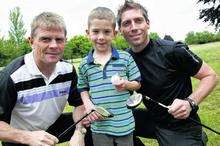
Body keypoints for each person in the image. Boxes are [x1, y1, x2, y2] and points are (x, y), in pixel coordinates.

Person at [117, 1, 219, 146]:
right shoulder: (124, 59)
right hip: (152, 118)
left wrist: (190, 103)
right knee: (102, 126)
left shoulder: (172, 50)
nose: (133, 27)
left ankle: (197, 139)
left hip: (181, 126)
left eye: (138, 21)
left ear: (147, 23)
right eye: (126, 23)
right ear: (120, 30)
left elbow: (211, 76)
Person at [0, 12, 92, 146]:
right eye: (46, 39)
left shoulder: (68, 70)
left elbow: (79, 104)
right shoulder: (12, 77)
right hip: (19, 138)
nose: (54, 45)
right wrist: (27, 137)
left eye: (59, 39)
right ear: (31, 41)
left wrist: (79, 132)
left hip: (51, 128)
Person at [77, 7, 141, 146]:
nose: (101, 37)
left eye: (106, 32)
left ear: (114, 34)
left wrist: (125, 84)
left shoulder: (125, 57)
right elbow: (82, 88)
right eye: (95, 31)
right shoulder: (84, 64)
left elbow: (137, 83)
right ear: (88, 33)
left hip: (124, 123)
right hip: (99, 126)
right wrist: (88, 104)